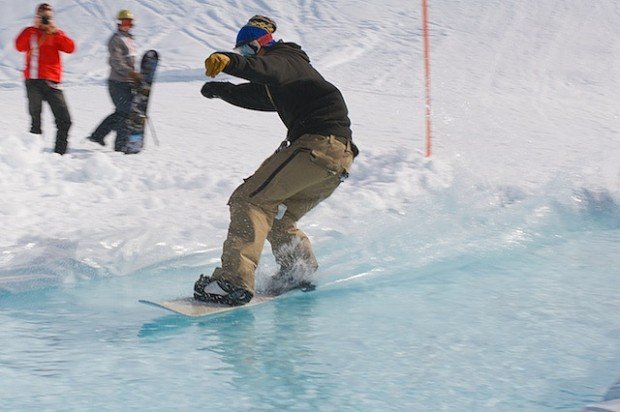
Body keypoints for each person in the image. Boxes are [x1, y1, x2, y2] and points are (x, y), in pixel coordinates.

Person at [194, 15, 359, 306]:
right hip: (336, 158)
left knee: (250, 200)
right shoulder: (291, 75)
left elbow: (267, 69)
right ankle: (299, 272)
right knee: (279, 216)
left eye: (247, 50)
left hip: (317, 147)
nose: (246, 55)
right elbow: (262, 95)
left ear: (260, 44)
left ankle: (233, 282)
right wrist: (223, 90)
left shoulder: (286, 59)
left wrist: (231, 61)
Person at [15, 3, 75, 155]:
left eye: (48, 17)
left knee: (65, 120)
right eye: (42, 16)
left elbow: (70, 48)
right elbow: (19, 46)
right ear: (37, 16)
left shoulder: (55, 34)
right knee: (36, 121)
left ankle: (59, 155)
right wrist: (33, 28)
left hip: (53, 82)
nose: (45, 19)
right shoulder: (30, 32)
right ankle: (34, 156)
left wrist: (56, 32)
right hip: (33, 81)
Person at [87, 9, 140, 152]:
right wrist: (130, 73)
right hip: (117, 83)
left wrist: (136, 76)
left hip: (127, 82)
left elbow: (131, 61)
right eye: (124, 22)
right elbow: (117, 61)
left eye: (129, 22)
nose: (127, 25)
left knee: (122, 112)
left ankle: (98, 135)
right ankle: (120, 145)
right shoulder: (115, 39)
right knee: (126, 112)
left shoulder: (130, 39)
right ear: (119, 23)